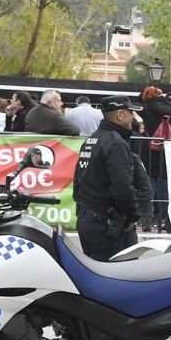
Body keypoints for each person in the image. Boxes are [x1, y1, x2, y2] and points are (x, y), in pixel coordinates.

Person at [73, 96, 143, 260]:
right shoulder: (115, 142)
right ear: (120, 115)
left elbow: (78, 180)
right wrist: (132, 216)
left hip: (87, 219)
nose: (133, 117)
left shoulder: (93, 138)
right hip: (106, 224)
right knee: (118, 279)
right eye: (130, 112)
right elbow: (123, 187)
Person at [133, 86, 171, 233]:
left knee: (148, 186)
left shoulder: (146, 109)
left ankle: (147, 219)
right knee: (166, 189)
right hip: (169, 156)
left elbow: (134, 103)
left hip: (149, 154)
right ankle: (168, 220)